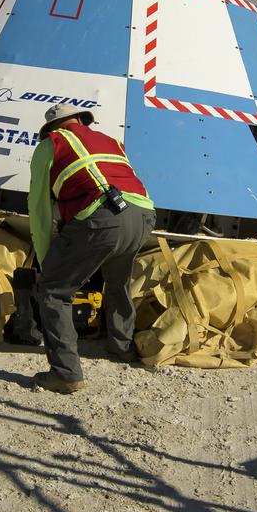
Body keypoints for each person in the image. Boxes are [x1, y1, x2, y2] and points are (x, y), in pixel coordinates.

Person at [28, 103, 156, 393]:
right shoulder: (112, 141)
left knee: (53, 290)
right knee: (117, 280)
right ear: (83, 121)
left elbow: (39, 209)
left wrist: (48, 259)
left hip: (103, 218)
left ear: (52, 128)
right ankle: (122, 346)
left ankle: (65, 373)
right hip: (143, 214)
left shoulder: (52, 145)